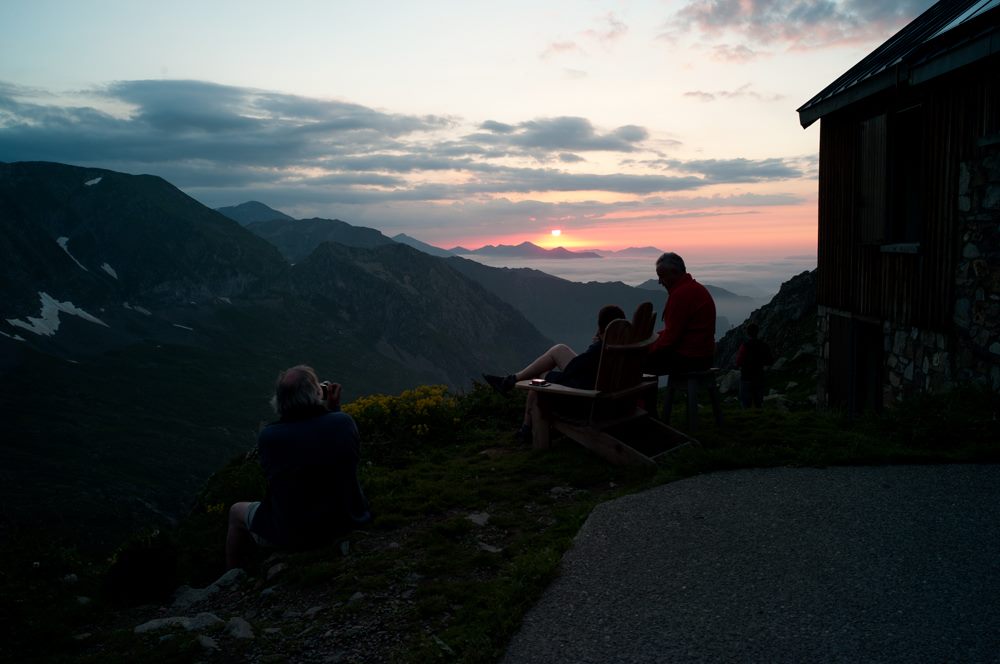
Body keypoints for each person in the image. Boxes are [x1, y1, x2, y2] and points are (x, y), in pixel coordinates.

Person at [226, 365, 371, 570]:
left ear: (280, 400)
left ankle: (231, 577)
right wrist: (333, 408)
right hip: (346, 520)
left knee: (236, 512)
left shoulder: (270, 437)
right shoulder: (343, 422)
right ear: (316, 393)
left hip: (296, 535)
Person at [483, 304, 626, 441]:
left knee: (539, 378)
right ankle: (514, 396)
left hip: (587, 402)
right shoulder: (624, 347)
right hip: (609, 398)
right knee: (559, 350)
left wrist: (595, 344)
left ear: (601, 329)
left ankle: (523, 422)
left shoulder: (599, 349)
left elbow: (573, 369)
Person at [644, 252, 716, 376]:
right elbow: (676, 330)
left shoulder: (680, 295)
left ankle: (640, 395)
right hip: (705, 355)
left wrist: (647, 348)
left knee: (633, 362)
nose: (660, 282)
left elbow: (670, 339)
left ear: (674, 272)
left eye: (662, 276)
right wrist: (653, 338)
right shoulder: (695, 288)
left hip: (690, 358)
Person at [736, 322, 773, 408]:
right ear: (757, 332)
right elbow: (770, 361)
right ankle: (758, 416)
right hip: (759, 376)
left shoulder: (745, 346)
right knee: (758, 402)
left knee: (745, 403)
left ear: (748, 333)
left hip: (746, 376)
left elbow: (738, 361)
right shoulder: (764, 345)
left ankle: (747, 417)